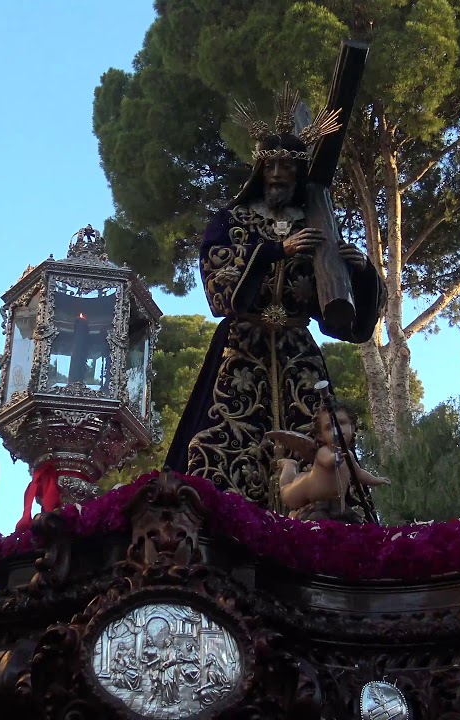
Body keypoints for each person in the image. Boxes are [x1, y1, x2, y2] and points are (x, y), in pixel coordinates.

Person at [164, 90, 386, 514]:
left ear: (300, 174)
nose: (280, 174)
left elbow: (346, 326)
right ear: (260, 169)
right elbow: (220, 292)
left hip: (297, 354)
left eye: (289, 166)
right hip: (242, 349)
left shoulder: (318, 228)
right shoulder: (230, 222)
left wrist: (361, 273)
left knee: (322, 446)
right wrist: (274, 251)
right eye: (273, 165)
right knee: (219, 442)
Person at [275, 399, 390, 523]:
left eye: (342, 423)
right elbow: (328, 461)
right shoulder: (324, 451)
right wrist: (335, 458)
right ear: (320, 436)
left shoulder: (349, 455)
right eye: (329, 427)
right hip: (302, 489)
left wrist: (377, 480)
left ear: (352, 427)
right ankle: (289, 465)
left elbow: (359, 474)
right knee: (286, 491)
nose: (337, 430)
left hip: (333, 502)